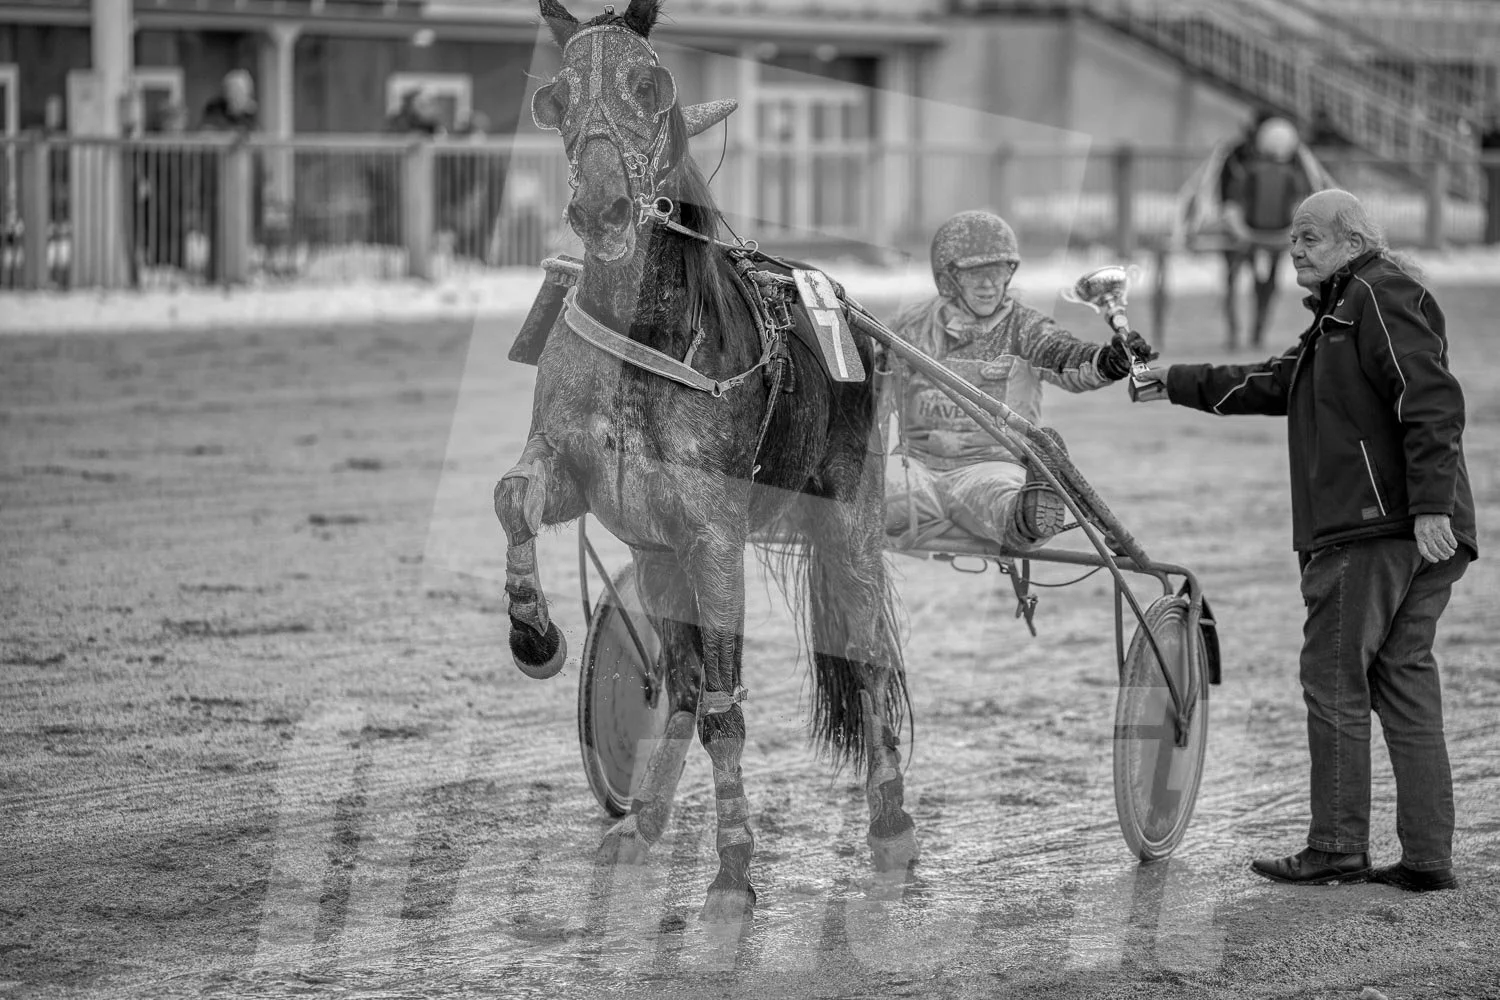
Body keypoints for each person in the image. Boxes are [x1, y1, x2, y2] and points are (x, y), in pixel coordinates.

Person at [1133, 189, 1478, 892]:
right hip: (1403, 531)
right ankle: (1426, 860)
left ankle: (1337, 847)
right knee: (1404, 680)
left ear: (1353, 242)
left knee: (1334, 683)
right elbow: (1274, 382)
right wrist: (1172, 380)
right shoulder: (1342, 312)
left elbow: (1431, 398)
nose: (1295, 247)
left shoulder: (1380, 294)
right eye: (1293, 237)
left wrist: (1431, 506)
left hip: (1376, 531)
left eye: (1310, 237)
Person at [879, 210, 1153, 551]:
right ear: (949, 276)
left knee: (999, 500)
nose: (989, 284)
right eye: (976, 272)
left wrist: (1108, 362)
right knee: (866, 493)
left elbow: (1063, 356)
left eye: (998, 271)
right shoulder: (911, 327)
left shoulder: (1025, 327)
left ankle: (1030, 513)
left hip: (991, 467)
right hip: (914, 467)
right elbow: (868, 387)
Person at [1220, 116, 1319, 349]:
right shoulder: (1287, 173)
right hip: (1265, 237)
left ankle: (1247, 331)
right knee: (1261, 282)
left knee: (1246, 281)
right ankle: (1251, 331)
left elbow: (1233, 204)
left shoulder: (1248, 170)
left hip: (1255, 237)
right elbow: (1299, 206)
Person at [198, 70, 260, 283]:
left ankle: (238, 270)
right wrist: (230, 137)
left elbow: (249, 135)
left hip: (240, 184)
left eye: (241, 91)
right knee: (217, 226)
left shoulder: (249, 112)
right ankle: (216, 272)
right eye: (233, 90)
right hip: (217, 179)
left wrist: (239, 135)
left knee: (240, 226)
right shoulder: (215, 109)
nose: (236, 95)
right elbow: (207, 132)